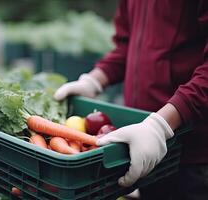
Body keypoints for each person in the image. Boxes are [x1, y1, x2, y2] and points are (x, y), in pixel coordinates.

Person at [54, 1, 208, 199]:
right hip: (146, 149)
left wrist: (160, 125)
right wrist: (93, 80)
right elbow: (126, 45)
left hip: (194, 156)